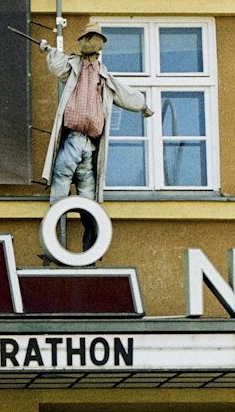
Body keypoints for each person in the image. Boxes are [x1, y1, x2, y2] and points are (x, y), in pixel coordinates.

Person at [40, 20, 153, 247]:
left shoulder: (104, 76)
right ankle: (51, 241)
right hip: (72, 140)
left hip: (89, 145)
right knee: (60, 188)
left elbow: (125, 93)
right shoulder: (74, 66)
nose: (92, 46)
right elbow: (57, 64)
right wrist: (48, 50)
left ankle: (90, 247)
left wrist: (142, 105)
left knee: (88, 197)